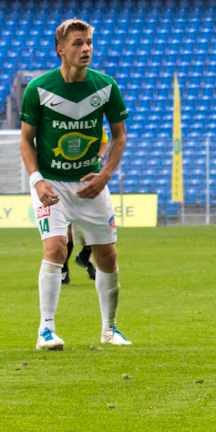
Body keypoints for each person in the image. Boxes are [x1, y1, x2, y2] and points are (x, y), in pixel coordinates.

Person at [20, 18, 131, 351]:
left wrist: (105, 175)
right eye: (78, 43)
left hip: (90, 184)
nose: (86, 49)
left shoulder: (106, 86)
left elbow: (119, 137)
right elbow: (26, 141)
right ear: (61, 49)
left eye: (89, 43)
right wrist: (37, 180)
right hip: (51, 184)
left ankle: (110, 329)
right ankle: (46, 331)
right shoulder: (38, 89)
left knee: (107, 257)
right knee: (56, 249)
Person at [62, 129, 108, 284]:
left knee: (101, 225)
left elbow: (104, 142)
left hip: (89, 182)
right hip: (64, 181)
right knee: (68, 229)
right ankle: (63, 268)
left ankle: (83, 256)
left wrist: (100, 157)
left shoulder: (91, 122)